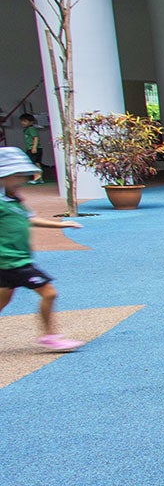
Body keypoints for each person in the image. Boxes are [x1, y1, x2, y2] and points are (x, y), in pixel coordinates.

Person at [0, 147, 84, 352]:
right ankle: (49, 337)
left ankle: (49, 335)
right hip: (11, 262)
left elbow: (30, 219)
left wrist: (62, 225)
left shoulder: (15, 201)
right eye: (16, 176)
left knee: (3, 301)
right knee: (49, 293)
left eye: (23, 175)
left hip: (15, 261)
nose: (22, 179)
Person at [19, 114, 44, 184]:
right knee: (36, 163)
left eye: (25, 121)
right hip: (32, 148)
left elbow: (35, 138)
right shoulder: (27, 130)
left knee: (34, 163)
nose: (22, 123)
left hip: (33, 148)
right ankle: (39, 178)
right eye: (22, 121)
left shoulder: (31, 129)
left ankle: (37, 177)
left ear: (31, 122)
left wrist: (34, 147)